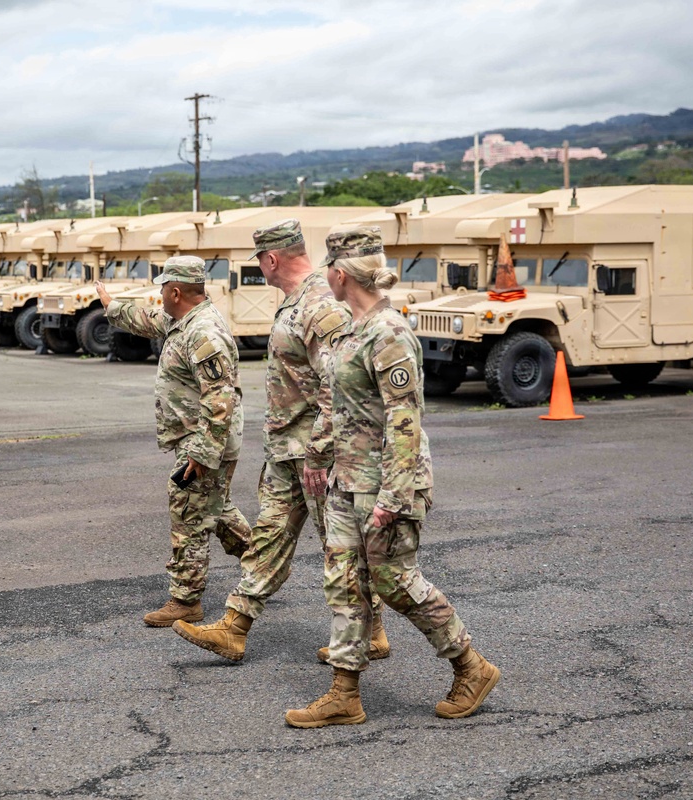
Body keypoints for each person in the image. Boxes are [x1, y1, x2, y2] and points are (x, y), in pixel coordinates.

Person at [285, 227, 500, 728]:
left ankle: (471, 666)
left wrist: (395, 496)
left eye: (328, 269)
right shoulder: (352, 329)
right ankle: (344, 693)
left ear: (341, 275)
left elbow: (406, 420)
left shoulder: (390, 333)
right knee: (344, 583)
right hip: (347, 480)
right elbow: (342, 406)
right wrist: (319, 456)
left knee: (396, 581)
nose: (325, 276)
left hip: (386, 483)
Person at [170, 219, 390, 663]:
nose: (260, 268)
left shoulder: (320, 304)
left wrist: (320, 452)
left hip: (320, 456)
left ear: (271, 259)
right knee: (268, 538)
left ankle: (371, 632)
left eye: (260, 261)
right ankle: (234, 626)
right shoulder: (297, 300)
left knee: (341, 549)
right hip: (287, 452)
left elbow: (339, 385)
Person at [96, 256, 251, 627]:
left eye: (163, 288)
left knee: (188, 513)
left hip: (205, 441)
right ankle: (264, 565)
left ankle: (186, 599)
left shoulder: (204, 332)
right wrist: (111, 305)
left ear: (176, 291)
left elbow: (220, 397)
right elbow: (148, 320)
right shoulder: (182, 320)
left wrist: (202, 452)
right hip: (199, 438)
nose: (160, 295)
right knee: (215, 508)